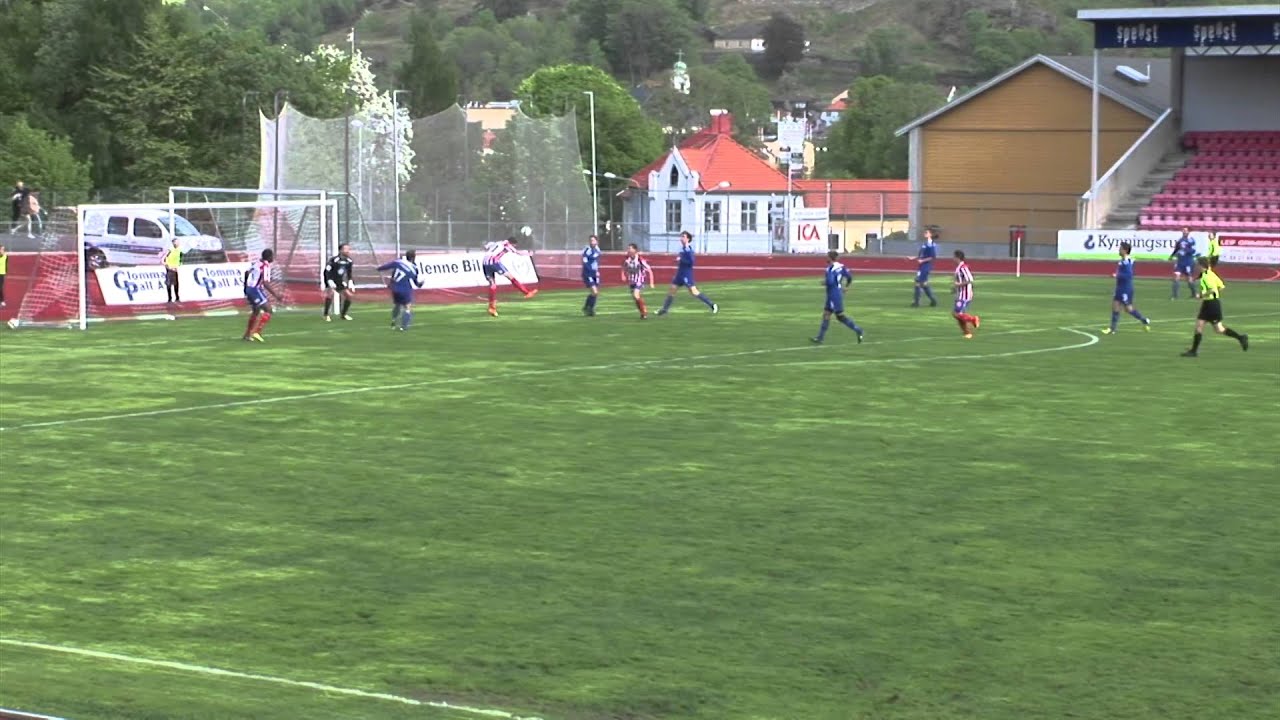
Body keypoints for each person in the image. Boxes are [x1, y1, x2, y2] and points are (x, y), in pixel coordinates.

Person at [1182, 255, 1248, 357]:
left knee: (1219, 329)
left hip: (1212, 305)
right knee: (1199, 326)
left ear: (1201, 265)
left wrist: (1201, 295)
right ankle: (1194, 351)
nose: (1196, 266)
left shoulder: (1207, 276)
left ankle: (1241, 338)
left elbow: (1212, 289)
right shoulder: (1211, 274)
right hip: (1209, 303)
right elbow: (1221, 286)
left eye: (1197, 264)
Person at [657, 231, 718, 316]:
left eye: (683, 237)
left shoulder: (688, 249)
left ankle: (712, 305)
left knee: (694, 292)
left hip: (686, 275)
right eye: (681, 236)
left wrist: (680, 260)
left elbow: (691, 262)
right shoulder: (682, 248)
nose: (681, 238)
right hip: (679, 274)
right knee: (672, 290)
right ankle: (665, 309)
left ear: (688, 239)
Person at [811, 250, 863, 344]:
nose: (826, 258)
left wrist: (824, 282)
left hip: (833, 295)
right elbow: (849, 277)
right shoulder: (841, 267)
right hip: (836, 293)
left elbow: (830, 281)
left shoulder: (830, 269)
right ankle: (820, 338)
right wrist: (846, 287)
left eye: (827, 256)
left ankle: (858, 330)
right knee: (826, 314)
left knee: (840, 316)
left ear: (830, 258)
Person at [1102, 241, 1151, 335]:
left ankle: (1144, 320)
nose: (1119, 250)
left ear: (1125, 250)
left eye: (1120, 249)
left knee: (1128, 309)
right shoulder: (1123, 261)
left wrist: (1117, 275)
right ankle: (1112, 329)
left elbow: (1129, 275)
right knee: (1115, 306)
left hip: (1125, 288)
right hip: (1120, 287)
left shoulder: (1126, 261)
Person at [482, 235, 537, 317]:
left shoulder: (498, 242)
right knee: (511, 277)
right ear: (512, 243)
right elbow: (517, 252)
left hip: (485, 263)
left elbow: (486, 246)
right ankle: (527, 292)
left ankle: (491, 308)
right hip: (494, 262)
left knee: (492, 285)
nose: (514, 246)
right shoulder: (507, 245)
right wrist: (528, 254)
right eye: (514, 245)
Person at [377, 249, 424, 331]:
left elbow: (386, 266)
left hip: (394, 288)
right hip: (404, 288)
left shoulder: (398, 262)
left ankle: (393, 320)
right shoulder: (414, 268)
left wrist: (378, 269)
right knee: (407, 307)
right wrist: (420, 284)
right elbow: (416, 283)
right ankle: (403, 326)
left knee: (397, 305)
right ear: (413, 257)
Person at [243, 249, 284, 342]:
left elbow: (246, 273)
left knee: (256, 311)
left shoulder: (257, 263)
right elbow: (265, 283)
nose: (273, 258)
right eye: (272, 256)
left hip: (249, 289)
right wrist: (276, 295)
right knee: (268, 310)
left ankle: (247, 335)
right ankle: (257, 332)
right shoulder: (266, 265)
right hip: (255, 290)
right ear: (269, 257)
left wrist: (245, 286)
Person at [323, 243, 356, 322]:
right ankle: (326, 315)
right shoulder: (334, 260)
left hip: (339, 280)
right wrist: (330, 281)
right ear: (340, 250)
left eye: (348, 249)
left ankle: (343, 315)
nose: (347, 251)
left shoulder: (349, 261)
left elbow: (349, 273)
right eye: (345, 249)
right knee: (330, 293)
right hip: (330, 279)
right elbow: (327, 271)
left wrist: (350, 281)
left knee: (349, 296)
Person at [951, 250, 980, 338]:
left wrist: (958, 285)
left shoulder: (963, 267)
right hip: (960, 294)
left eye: (954, 257)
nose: (953, 258)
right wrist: (955, 288)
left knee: (956, 313)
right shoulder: (959, 267)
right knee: (959, 314)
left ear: (957, 257)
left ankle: (973, 319)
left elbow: (970, 279)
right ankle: (967, 333)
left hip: (964, 295)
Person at [620, 243, 654, 319]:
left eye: (630, 248)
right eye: (628, 248)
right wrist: (623, 275)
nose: (628, 250)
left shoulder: (640, 259)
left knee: (636, 295)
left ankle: (644, 311)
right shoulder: (627, 259)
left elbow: (649, 270)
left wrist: (651, 282)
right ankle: (642, 313)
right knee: (635, 298)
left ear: (635, 250)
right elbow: (623, 267)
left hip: (639, 280)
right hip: (631, 281)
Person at [910, 226, 939, 307]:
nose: (924, 233)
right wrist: (914, 257)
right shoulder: (925, 243)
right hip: (922, 266)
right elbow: (922, 254)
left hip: (926, 266)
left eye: (926, 232)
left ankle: (916, 302)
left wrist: (922, 261)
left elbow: (932, 257)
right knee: (924, 284)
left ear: (930, 234)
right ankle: (933, 301)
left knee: (918, 282)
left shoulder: (931, 244)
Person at [1169, 226, 1198, 299]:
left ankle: (1194, 293)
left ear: (1189, 232)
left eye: (1186, 230)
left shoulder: (1191, 240)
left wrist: (1186, 250)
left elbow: (1193, 251)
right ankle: (1175, 295)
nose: (1184, 232)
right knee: (1176, 277)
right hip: (1179, 262)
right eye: (1183, 230)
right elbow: (1176, 249)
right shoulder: (1180, 240)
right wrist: (1172, 256)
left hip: (1188, 262)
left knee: (1189, 279)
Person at [581, 234, 602, 316]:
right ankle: (589, 308)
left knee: (595, 293)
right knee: (594, 291)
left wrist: (597, 271)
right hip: (588, 273)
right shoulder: (587, 250)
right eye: (590, 240)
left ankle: (587, 308)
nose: (591, 242)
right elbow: (585, 262)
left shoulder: (598, 249)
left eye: (593, 240)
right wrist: (591, 270)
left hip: (595, 273)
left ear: (596, 241)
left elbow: (597, 261)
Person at [160, 238, 182, 304]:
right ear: (173, 243)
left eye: (178, 242)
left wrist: (177, 265)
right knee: (169, 284)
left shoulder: (179, 250)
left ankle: (177, 297)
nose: (178, 243)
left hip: (175, 269)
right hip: (170, 269)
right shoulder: (170, 250)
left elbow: (179, 259)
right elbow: (162, 259)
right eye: (177, 242)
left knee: (176, 284)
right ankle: (170, 298)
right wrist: (167, 266)